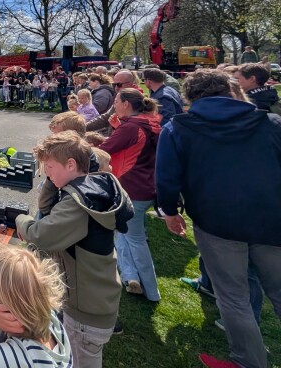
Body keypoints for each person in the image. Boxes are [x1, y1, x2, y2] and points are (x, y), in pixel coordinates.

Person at [156, 69, 281, 368]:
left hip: (217, 222)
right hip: (270, 219)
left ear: (190, 96)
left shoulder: (178, 128)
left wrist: (170, 213)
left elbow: (166, 179)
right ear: (231, 90)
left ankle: (248, 362)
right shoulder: (271, 122)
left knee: (233, 296)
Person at [16, 131, 133, 368]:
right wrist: (52, 180)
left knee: (80, 361)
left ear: (71, 164)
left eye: (49, 167)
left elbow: (41, 235)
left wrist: (21, 220)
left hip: (86, 313)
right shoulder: (93, 185)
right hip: (98, 297)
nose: (46, 172)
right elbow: (49, 210)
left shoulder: (76, 205)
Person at [98, 89, 162, 302]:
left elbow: (104, 149)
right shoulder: (147, 122)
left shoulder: (132, 128)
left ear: (126, 104)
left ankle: (152, 291)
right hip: (144, 185)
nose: (114, 104)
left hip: (133, 189)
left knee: (135, 240)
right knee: (123, 233)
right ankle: (130, 276)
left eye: (116, 100)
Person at [86, 70, 140, 135]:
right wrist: (84, 127)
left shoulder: (137, 100)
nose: (116, 88)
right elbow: (107, 117)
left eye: (119, 85)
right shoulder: (120, 96)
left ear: (130, 84)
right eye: (114, 85)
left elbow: (128, 131)